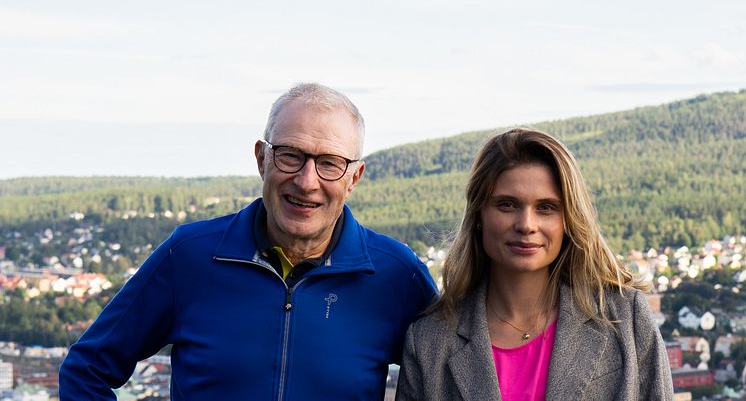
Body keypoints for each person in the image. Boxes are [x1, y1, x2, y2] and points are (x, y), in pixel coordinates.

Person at [59, 83, 438, 400]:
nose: (307, 181)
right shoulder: (189, 256)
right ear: (262, 159)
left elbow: (452, 375)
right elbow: (85, 372)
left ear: (354, 178)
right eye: (290, 156)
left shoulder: (397, 276)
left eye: (329, 163)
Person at [395, 127, 673, 400]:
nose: (526, 225)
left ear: (569, 219)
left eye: (546, 207)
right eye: (506, 205)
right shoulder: (429, 343)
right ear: (479, 215)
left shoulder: (624, 317)